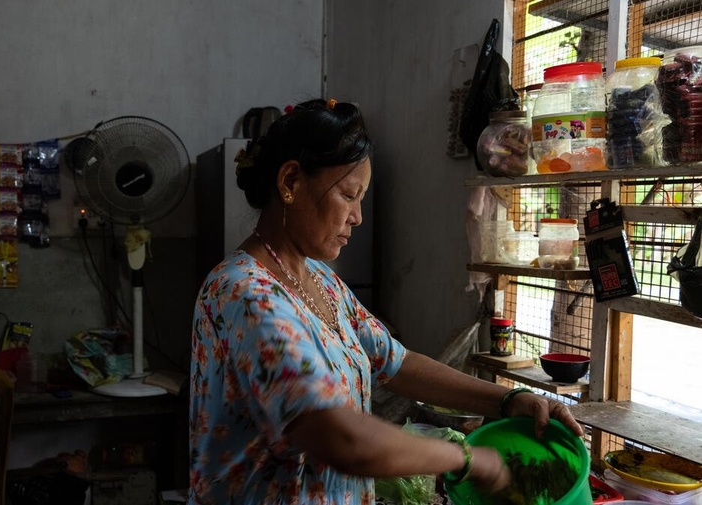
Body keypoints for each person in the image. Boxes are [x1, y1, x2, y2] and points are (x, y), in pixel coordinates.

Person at [188, 98, 583, 504]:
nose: (358, 216)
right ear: (290, 182)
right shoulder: (243, 293)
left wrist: (509, 399)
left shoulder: (319, 278)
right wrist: (466, 459)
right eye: (348, 195)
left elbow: (395, 363)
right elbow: (338, 437)